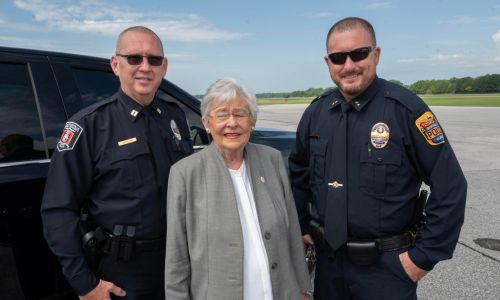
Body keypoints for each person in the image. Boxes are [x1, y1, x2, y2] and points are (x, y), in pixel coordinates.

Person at [289, 17, 467, 299]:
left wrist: (421, 258)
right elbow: (298, 174)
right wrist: (301, 225)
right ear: (328, 62)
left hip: (386, 272)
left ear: (376, 54)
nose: (348, 65)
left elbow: (451, 187)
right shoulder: (316, 114)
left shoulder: (406, 110)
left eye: (358, 53)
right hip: (329, 267)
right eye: (338, 58)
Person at [41, 26, 193, 299]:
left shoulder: (175, 118)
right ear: (115, 64)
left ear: (164, 67)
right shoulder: (88, 126)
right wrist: (85, 284)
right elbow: (58, 210)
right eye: (134, 58)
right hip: (124, 272)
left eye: (154, 60)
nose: (145, 67)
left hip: (180, 261)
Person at [164, 78, 311, 300]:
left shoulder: (271, 159)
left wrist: (302, 289)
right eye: (222, 115)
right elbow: (177, 259)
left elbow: (291, 231)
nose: (232, 123)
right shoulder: (185, 174)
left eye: (240, 114)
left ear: (252, 122)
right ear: (207, 123)